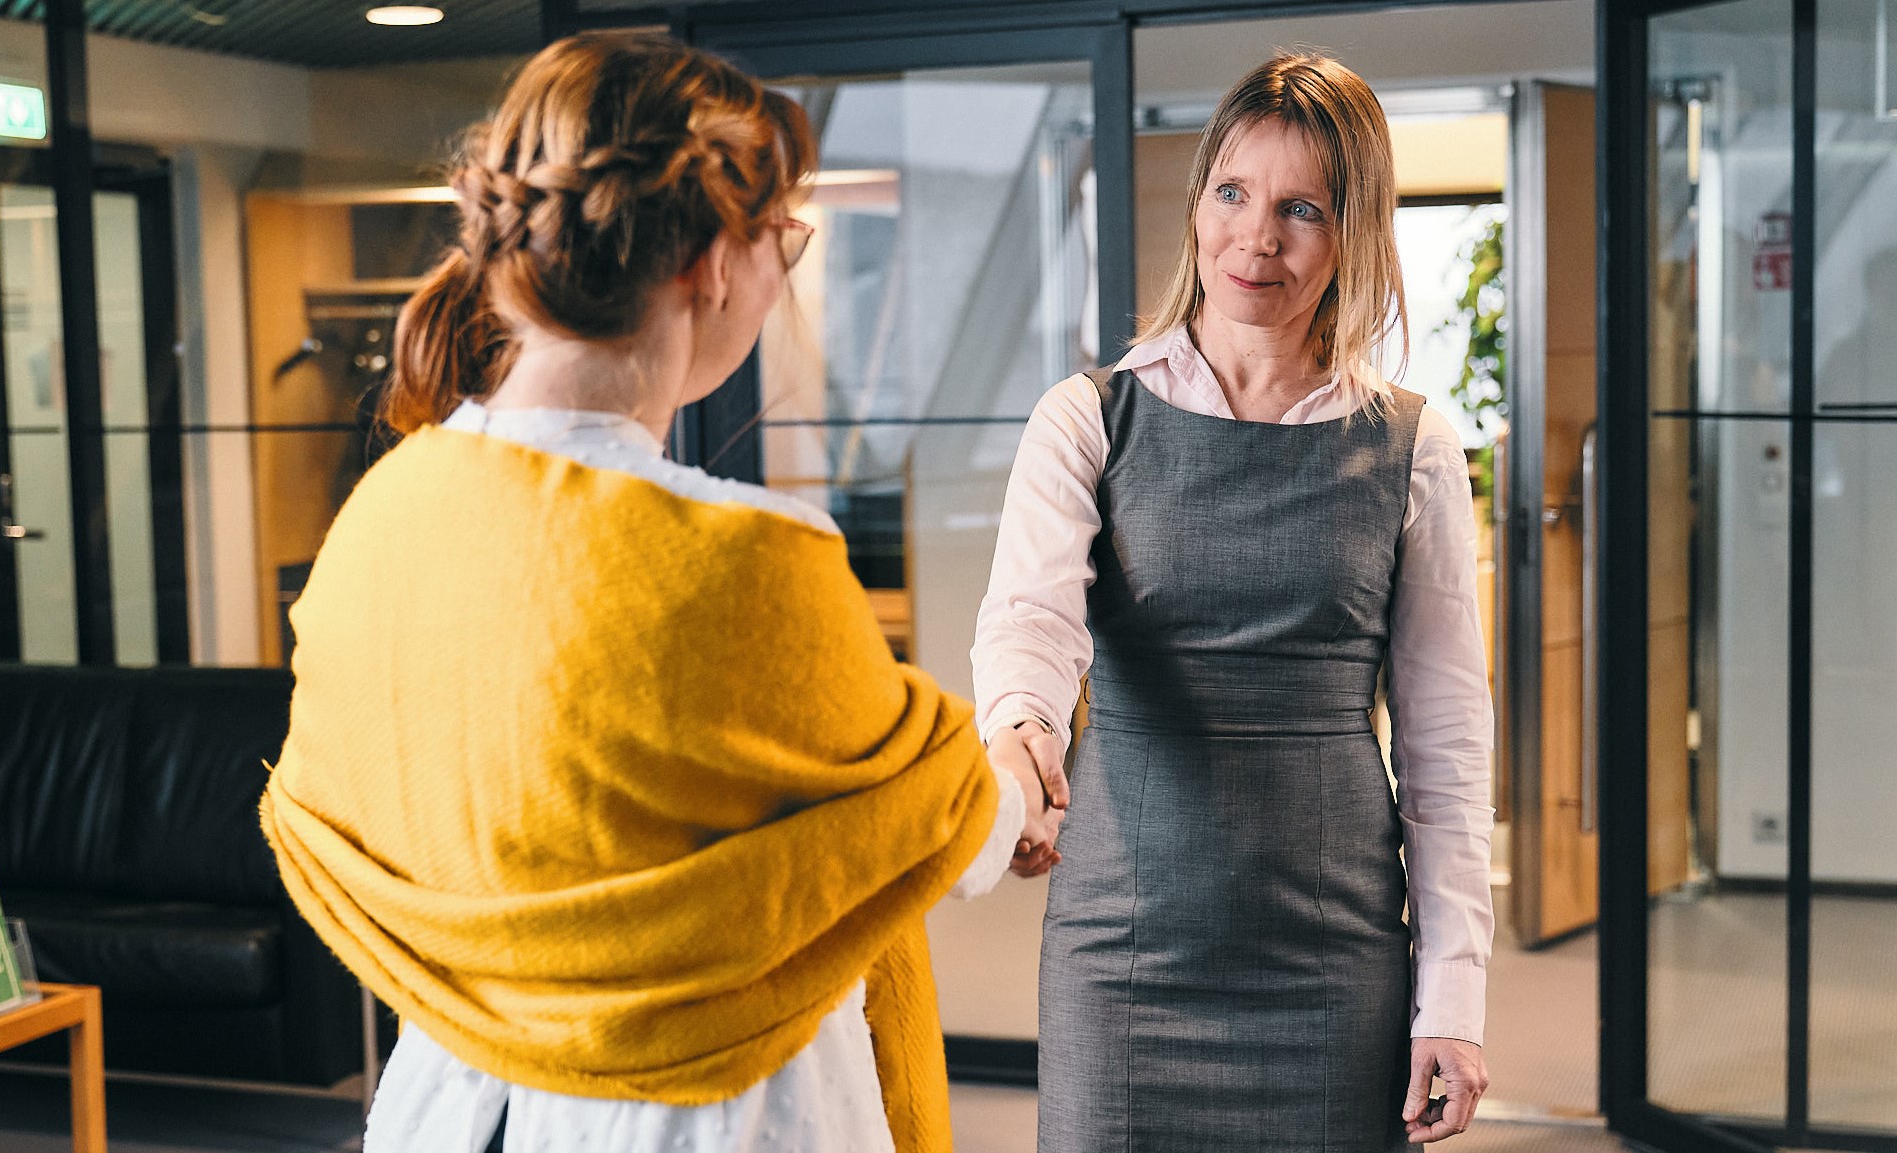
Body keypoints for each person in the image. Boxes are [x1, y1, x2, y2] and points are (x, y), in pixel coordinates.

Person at [260, 31, 1054, 1153]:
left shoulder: (382, 520)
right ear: (713, 262)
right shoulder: (746, 564)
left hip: (450, 1106)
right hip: (709, 1122)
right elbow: (919, 810)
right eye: (782, 234)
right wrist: (1015, 781)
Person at [973, 52, 1495, 1152]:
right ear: (1201, 198)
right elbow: (1031, 624)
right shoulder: (1088, 419)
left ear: (1353, 231)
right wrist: (1020, 735)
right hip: (1124, 957)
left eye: (1301, 208)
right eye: (1234, 194)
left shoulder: (1413, 447)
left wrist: (1451, 996)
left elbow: (1447, 746)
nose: (1258, 239)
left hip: (1333, 958)